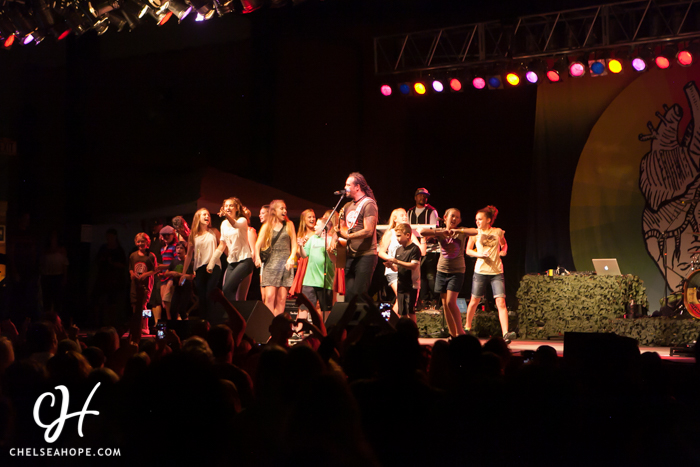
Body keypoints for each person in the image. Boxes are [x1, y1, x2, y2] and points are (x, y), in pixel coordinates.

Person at [420, 208, 477, 337]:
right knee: (445, 304)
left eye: (457, 217)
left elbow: (475, 231)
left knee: (451, 302)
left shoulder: (461, 232)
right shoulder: (441, 232)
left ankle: (460, 331)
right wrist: (440, 232)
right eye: (452, 216)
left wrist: (458, 231)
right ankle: (453, 334)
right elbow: (422, 232)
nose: (454, 219)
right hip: (442, 271)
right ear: (445, 217)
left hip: (457, 271)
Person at [464, 205, 515, 343]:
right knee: (474, 300)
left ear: (488, 220)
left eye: (480, 219)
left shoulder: (497, 232)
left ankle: (505, 333)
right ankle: (467, 328)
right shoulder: (475, 233)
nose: (477, 222)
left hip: (496, 272)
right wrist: (479, 254)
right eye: (476, 219)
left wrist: (503, 251)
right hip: (480, 271)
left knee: (501, 302)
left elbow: (504, 244)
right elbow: (468, 250)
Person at [337, 172, 378, 302]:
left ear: (357, 187)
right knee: (349, 295)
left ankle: (365, 316)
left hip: (366, 255)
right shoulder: (347, 206)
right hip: (351, 255)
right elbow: (341, 228)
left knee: (360, 294)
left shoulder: (368, 204)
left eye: (348, 185)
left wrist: (348, 236)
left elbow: (369, 231)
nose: (345, 188)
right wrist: (335, 237)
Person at [378, 208, 425, 313]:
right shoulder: (390, 233)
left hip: (406, 272)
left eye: (405, 215)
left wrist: (423, 238)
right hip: (394, 270)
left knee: (404, 302)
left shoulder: (410, 234)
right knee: (401, 300)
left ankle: (398, 321)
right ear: (395, 219)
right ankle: (394, 322)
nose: (405, 217)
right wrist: (392, 260)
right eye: (402, 215)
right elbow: (381, 252)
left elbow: (421, 251)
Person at [255, 200, 297, 316]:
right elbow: (257, 244)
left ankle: (278, 323)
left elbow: (294, 244)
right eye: (281, 208)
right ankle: (268, 323)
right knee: (269, 297)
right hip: (271, 265)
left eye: (285, 208)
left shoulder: (289, 225)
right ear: (274, 211)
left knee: (281, 298)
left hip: (285, 266)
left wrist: (291, 258)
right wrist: (257, 258)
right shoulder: (267, 226)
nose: (284, 211)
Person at [181, 208, 222, 321]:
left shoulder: (214, 231)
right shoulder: (193, 235)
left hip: (214, 266)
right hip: (199, 268)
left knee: (210, 293)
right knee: (202, 297)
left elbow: (223, 246)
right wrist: (183, 273)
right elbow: (189, 254)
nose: (207, 216)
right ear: (198, 218)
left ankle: (212, 320)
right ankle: (204, 322)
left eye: (208, 215)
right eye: (204, 215)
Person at [212, 198, 255, 304]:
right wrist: (212, 262)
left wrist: (226, 215)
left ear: (237, 208)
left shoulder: (242, 220)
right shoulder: (223, 224)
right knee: (226, 292)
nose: (228, 208)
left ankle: (237, 313)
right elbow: (222, 244)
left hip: (245, 260)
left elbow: (235, 225)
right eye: (226, 206)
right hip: (232, 261)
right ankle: (232, 313)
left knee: (229, 288)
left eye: (231, 205)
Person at [298, 215, 336, 324]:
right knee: (304, 308)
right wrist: (300, 246)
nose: (314, 227)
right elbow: (304, 255)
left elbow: (335, 260)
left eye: (317, 225)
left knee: (325, 310)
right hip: (309, 281)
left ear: (324, 228)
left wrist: (328, 246)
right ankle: (299, 331)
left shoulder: (331, 240)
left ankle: (324, 330)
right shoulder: (313, 239)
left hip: (325, 282)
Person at [407, 188, 440, 310]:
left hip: (429, 247)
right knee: (419, 275)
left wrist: (424, 239)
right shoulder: (410, 212)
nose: (422, 198)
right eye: (420, 195)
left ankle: (435, 300)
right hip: (414, 247)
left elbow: (434, 229)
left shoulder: (431, 211)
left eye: (425, 196)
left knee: (430, 274)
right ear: (415, 197)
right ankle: (422, 299)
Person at [383, 223, 421, 322]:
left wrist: (397, 262)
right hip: (401, 284)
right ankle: (403, 330)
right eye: (396, 236)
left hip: (412, 285)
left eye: (399, 236)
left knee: (410, 311)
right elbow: (397, 268)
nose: (397, 239)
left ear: (408, 235)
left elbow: (413, 266)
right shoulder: (399, 249)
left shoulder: (414, 249)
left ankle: (413, 330)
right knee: (402, 311)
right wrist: (391, 266)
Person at [291, 209, 316, 328]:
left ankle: (309, 326)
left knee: (313, 297)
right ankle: (299, 328)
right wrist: (303, 245)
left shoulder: (317, 233)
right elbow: (296, 251)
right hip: (304, 266)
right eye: (309, 217)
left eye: (313, 217)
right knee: (304, 297)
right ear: (304, 220)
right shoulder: (301, 234)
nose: (312, 219)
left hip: (313, 265)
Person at [129, 233, 159, 333]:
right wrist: (132, 274)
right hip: (135, 284)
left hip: (146, 285)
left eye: (143, 241)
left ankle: (145, 326)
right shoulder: (133, 256)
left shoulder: (151, 256)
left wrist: (145, 274)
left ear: (147, 242)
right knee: (134, 304)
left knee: (144, 305)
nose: (140, 243)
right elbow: (131, 268)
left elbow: (155, 270)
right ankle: (136, 325)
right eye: (138, 241)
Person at [165, 241, 195, 320]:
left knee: (182, 310)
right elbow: (166, 273)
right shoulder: (174, 261)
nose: (179, 250)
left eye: (181, 248)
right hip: (177, 288)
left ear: (185, 250)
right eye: (177, 248)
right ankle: (175, 325)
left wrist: (181, 275)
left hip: (186, 288)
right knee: (173, 309)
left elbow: (192, 276)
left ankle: (186, 325)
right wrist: (172, 273)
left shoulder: (189, 262)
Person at [159, 225, 178, 321]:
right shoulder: (162, 249)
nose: (166, 237)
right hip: (164, 277)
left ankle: (172, 320)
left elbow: (176, 262)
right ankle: (169, 319)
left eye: (168, 235)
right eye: (164, 235)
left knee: (167, 299)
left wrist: (164, 267)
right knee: (164, 302)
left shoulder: (174, 247)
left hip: (171, 276)